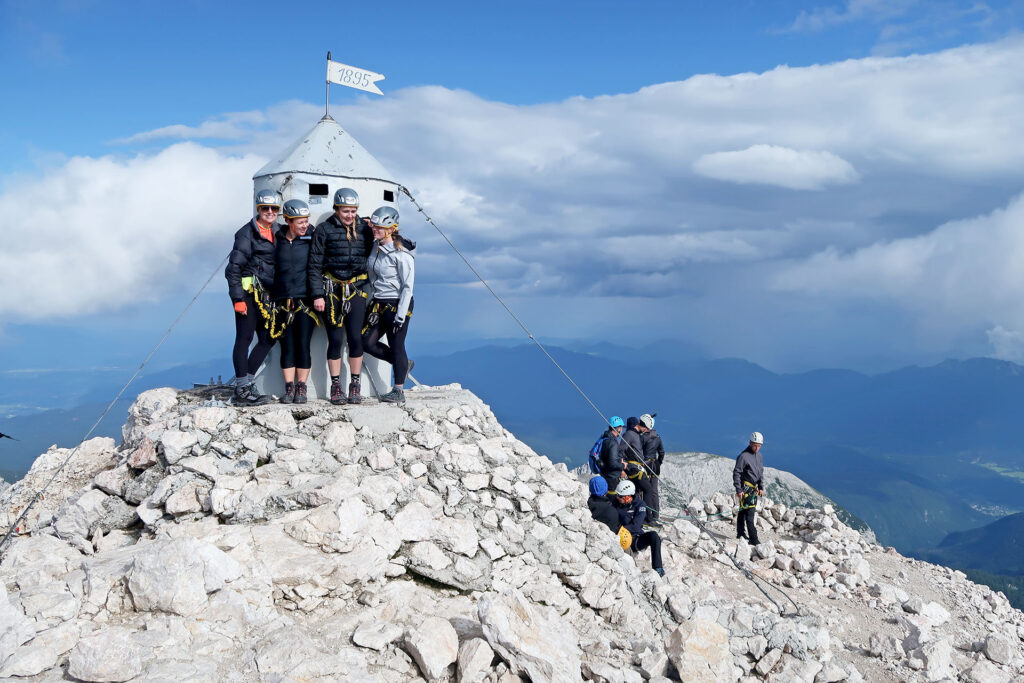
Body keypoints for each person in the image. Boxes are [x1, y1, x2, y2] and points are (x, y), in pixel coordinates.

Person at [309, 188, 374, 405]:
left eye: (353, 211)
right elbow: (315, 264)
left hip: (356, 289)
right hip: (332, 291)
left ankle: (355, 384)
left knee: (355, 338)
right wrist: (318, 294)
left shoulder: (365, 229)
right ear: (336, 209)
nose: (350, 215)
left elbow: (384, 239)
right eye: (346, 211)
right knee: (335, 339)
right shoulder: (324, 230)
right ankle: (335, 385)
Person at [225, 189, 281, 406]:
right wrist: (238, 299)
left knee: (268, 338)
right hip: (248, 295)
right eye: (265, 208)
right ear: (258, 209)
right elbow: (233, 270)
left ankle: (246, 384)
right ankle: (242, 389)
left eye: (274, 208)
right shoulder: (246, 234)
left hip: (268, 296)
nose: (269, 212)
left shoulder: (278, 231)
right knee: (245, 338)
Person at [362, 206, 415, 404]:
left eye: (379, 227)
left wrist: (401, 315)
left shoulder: (402, 254)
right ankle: (403, 364)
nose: (375, 230)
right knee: (366, 342)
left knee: (396, 344)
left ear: (392, 228)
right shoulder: (376, 247)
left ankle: (398, 391)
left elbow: (408, 287)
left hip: (397, 304)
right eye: (374, 226)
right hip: (378, 303)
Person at [273, 199, 318, 404]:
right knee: (287, 346)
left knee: (303, 345)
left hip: (305, 301)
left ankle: (301, 387)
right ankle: (289, 388)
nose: (304, 225)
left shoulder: (311, 238)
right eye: (300, 222)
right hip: (282, 300)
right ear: (288, 221)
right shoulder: (277, 239)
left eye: (306, 221)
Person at [611, 480, 665, 576]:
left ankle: (658, 568)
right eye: (618, 495)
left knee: (654, 536)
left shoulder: (640, 505)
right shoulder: (615, 503)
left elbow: (636, 526)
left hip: (635, 538)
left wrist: (621, 529)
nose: (617, 497)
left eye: (620, 496)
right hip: (620, 538)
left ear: (628, 497)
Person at [622, 416, 659, 526]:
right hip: (634, 469)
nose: (647, 430)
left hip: (635, 468)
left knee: (636, 492)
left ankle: (639, 517)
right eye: (647, 428)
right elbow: (621, 449)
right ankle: (648, 518)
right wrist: (622, 465)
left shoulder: (635, 434)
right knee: (647, 490)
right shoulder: (630, 434)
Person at [733, 431, 765, 545]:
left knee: (743, 511)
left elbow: (760, 472)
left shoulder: (759, 456)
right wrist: (739, 490)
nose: (757, 448)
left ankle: (740, 533)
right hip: (745, 489)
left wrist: (761, 486)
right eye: (755, 445)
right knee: (749, 514)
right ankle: (754, 539)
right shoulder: (743, 456)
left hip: (753, 489)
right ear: (750, 443)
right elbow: (737, 473)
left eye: (759, 446)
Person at [639, 413, 665, 526]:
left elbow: (638, 451)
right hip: (655, 466)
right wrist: (659, 462)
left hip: (645, 465)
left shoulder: (643, 437)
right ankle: (655, 514)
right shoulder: (658, 437)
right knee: (654, 490)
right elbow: (661, 452)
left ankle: (646, 513)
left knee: (645, 490)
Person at [598, 416, 626, 491]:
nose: (622, 430)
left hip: (606, 474)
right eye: (621, 427)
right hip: (612, 478)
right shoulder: (612, 442)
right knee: (613, 499)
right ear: (618, 428)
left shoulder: (605, 438)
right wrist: (623, 465)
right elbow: (612, 463)